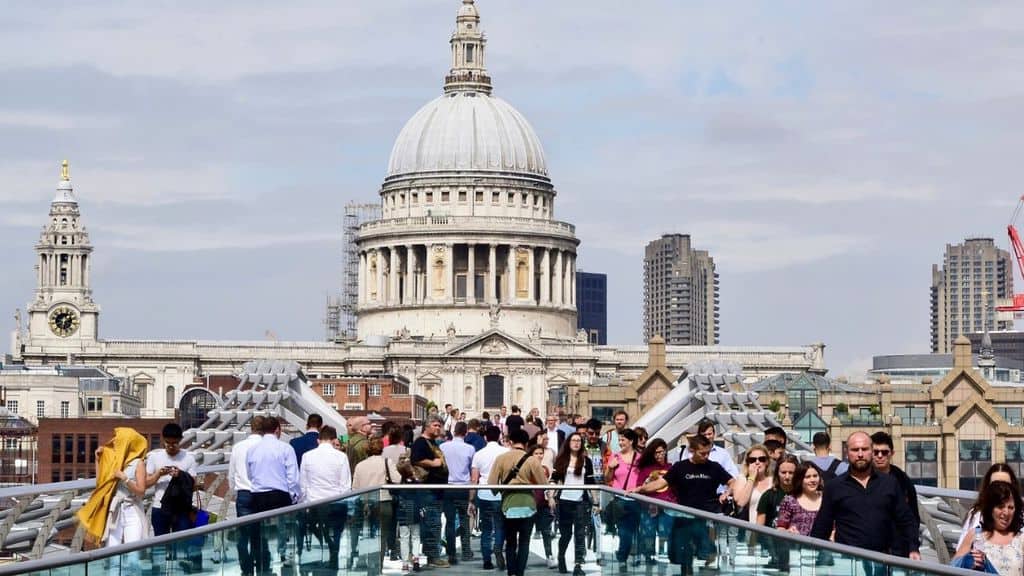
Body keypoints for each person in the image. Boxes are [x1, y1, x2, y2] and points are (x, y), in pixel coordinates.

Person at [810, 431, 920, 576]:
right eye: (855, 450)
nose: (860, 454)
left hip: (884, 562)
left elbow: (906, 520)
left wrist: (913, 548)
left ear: (871, 451)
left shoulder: (890, 483)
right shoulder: (834, 487)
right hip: (847, 563)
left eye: (865, 449)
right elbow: (822, 526)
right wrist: (815, 561)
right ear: (846, 452)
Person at [638, 434, 739, 575]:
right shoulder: (680, 467)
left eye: (708, 453)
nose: (706, 456)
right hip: (683, 518)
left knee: (707, 554)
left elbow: (732, 482)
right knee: (682, 557)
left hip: (706, 519)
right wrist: (640, 489)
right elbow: (660, 483)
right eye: (702, 453)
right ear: (692, 450)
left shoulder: (714, 467)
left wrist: (727, 493)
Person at [77, 427, 150, 558]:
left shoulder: (138, 463)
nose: (115, 442)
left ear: (127, 443)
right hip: (115, 510)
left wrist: (125, 478)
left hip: (132, 510)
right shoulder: (115, 461)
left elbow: (141, 492)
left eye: (119, 440)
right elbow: (101, 482)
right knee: (111, 553)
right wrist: (98, 460)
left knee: (133, 553)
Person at [488, 429, 548, 576]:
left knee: (510, 542)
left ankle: (511, 573)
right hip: (528, 504)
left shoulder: (501, 458)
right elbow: (543, 483)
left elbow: (492, 485)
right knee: (524, 542)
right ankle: (520, 572)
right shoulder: (532, 460)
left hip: (508, 505)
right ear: (527, 443)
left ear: (510, 442)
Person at [247, 416, 300, 575]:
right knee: (284, 527)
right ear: (277, 429)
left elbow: (250, 474)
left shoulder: (252, 449)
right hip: (280, 494)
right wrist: (294, 496)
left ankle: (263, 562)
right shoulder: (285, 448)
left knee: (259, 531)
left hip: (258, 495)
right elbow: (293, 476)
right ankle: (284, 556)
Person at [145, 423, 200, 572]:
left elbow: (194, 485)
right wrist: (159, 474)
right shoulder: (154, 457)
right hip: (160, 507)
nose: (171, 446)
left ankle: (180, 571)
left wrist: (180, 475)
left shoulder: (189, 458)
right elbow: (146, 483)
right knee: (159, 546)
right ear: (163, 440)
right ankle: (159, 571)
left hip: (181, 508)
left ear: (180, 440)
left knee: (182, 545)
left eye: (174, 443)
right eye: (168, 443)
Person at [299, 425, 351, 570]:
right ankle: (333, 557)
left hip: (314, 503)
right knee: (336, 534)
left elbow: (303, 485)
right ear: (334, 439)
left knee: (318, 533)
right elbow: (345, 486)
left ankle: (321, 559)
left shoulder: (307, 456)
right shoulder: (341, 457)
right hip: (335, 503)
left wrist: (304, 504)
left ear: (318, 440)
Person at [954, 481, 1024, 574]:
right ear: (990, 508)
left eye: (1010, 507)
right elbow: (952, 568)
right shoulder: (975, 535)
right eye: (1000, 507)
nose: (1006, 512)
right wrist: (967, 561)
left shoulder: (1021, 538)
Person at [870, 431, 921, 554]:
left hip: (899, 547)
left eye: (884, 452)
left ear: (891, 453)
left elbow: (912, 516)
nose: (880, 456)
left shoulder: (902, 480)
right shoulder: (862, 478)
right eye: (875, 452)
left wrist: (913, 547)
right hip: (871, 546)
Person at [353, 436, 401, 565]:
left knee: (366, 534)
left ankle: (364, 563)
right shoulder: (387, 462)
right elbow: (397, 479)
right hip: (384, 501)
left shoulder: (360, 465)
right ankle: (377, 566)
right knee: (382, 536)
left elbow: (355, 488)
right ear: (382, 448)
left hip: (365, 503)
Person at [552, 432, 594, 576]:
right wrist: (550, 496)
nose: (576, 443)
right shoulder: (561, 460)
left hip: (581, 501)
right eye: (573, 440)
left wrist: (595, 503)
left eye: (579, 441)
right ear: (568, 443)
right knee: (566, 534)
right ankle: (561, 556)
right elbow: (554, 479)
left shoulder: (586, 461)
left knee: (580, 533)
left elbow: (591, 483)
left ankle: (578, 564)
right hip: (564, 501)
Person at [411, 415, 449, 567]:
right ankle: (433, 556)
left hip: (436, 490)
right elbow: (416, 458)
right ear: (426, 426)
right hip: (428, 490)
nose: (438, 428)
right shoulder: (421, 442)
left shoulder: (433, 442)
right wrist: (433, 463)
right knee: (432, 523)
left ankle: (433, 554)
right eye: (435, 425)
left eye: (439, 425)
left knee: (435, 522)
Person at [229, 415, 266, 576]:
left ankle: (246, 569)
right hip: (262, 494)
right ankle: (261, 567)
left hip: (243, 494)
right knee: (259, 534)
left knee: (243, 535)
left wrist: (235, 491)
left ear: (250, 427)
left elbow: (231, 473)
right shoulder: (266, 446)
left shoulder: (238, 447)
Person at [471, 425, 509, 570]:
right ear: (499, 436)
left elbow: (474, 479)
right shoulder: (505, 452)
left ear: (485, 437)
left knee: (486, 529)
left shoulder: (479, 454)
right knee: (500, 526)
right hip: (500, 493)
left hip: (484, 493)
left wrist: (471, 500)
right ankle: (498, 547)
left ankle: (487, 560)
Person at [957, 464, 1021, 549]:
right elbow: (961, 549)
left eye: (1006, 485)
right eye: (995, 485)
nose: (1001, 489)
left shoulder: (1021, 514)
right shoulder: (977, 516)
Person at [605, 428, 642, 570]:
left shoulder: (639, 458)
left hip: (636, 500)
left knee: (633, 531)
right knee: (624, 532)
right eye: (619, 440)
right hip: (619, 500)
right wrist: (610, 467)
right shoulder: (615, 457)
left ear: (631, 441)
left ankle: (628, 555)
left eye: (623, 440)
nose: (620, 443)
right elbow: (608, 479)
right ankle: (622, 557)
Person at [440, 421, 476, 563]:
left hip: (448, 487)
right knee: (464, 520)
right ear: (466, 433)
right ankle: (466, 551)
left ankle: (451, 553)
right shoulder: (470, 449)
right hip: (463, 487)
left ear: (454, 431)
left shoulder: (443, 446)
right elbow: (471, 469)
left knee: (449, 521)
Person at [633, 438, 672, 565]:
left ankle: (665, 555)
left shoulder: (671, 467)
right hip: (649, 506)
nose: (660, 455)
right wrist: (649, 480)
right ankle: (648, 556)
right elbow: (639, 488)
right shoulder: (646, 469)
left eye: (662, 452)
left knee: (665, 532)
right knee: (648, 533)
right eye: (657, 452)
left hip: (667, 506)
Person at [756, 454, 798, 571]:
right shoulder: (768, 496)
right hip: (775, 552)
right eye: (783, 472)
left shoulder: (803, 495)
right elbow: (759, 528)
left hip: (799, 550)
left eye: (791, 473)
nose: (787, 476)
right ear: (777, 474)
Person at [529, 442, 557, 569]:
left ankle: (549, 555)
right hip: (529, 504)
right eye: (536, 453)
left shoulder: (545, 469)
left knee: (546, 531)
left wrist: (551, 497)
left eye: (541, 453)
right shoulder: (527, 468)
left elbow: (548, 485)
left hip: (542, 504)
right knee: (525, 532)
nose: (539, 456)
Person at [776, 462, 822, 536]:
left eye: (815, 476)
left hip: (823, 546)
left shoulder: (827, 499)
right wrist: (788, 532)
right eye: (807, 477)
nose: (812, 480)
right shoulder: (789, 501)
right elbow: (780, 528)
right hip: (796, 546)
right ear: (800, 480)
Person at [733, 444, 772, 525]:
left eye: (762, 459)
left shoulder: (773, 481)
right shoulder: (742, 479)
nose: (757, 462)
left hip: (770, 529)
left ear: (767, 462)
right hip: (750, 528)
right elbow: (741, 503)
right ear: (748, 463)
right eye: (752, 460)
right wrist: (752, 478)